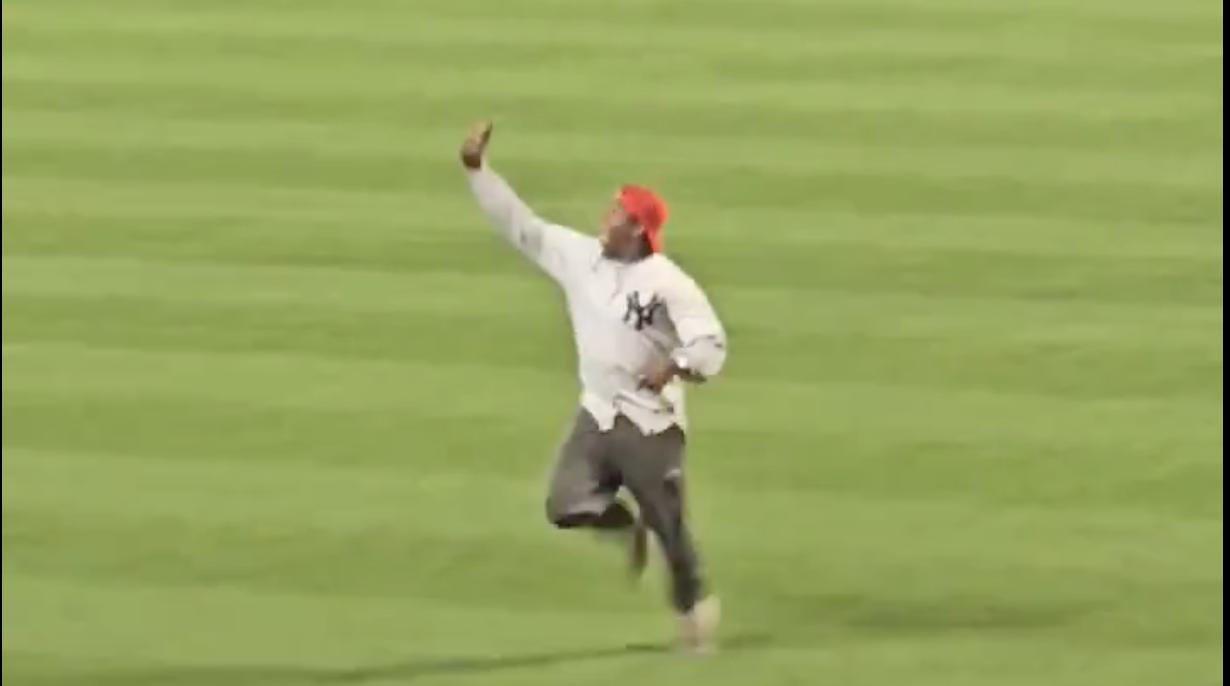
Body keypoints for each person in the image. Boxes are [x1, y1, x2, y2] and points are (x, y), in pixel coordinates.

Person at [460, 121, 727, 652]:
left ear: (639, 229)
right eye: (611, 210)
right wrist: (477, 170)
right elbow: (524, 228)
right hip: (598, 414)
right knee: (564, 504)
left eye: (618, 215)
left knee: (672, 529)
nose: (606, 219)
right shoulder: (580, 258)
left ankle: (694, 611)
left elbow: (712, 345)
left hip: (651, 425)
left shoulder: (669, 284)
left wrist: (673, 366)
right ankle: (622, 524)